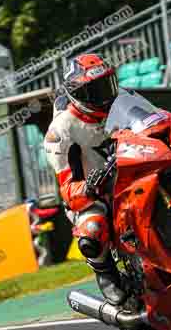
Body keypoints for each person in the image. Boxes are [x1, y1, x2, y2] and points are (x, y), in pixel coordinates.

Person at [43, 53, 126, 304]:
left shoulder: (123, 98)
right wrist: (89, 187)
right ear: (79, 95)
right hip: (93, 194)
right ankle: (105, 272)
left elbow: (155, 118)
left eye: (107, 84)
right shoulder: (60, 131)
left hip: (132, 169)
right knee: (93, 229)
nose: (105, 95)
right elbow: (66, 190)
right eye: (96, 90)